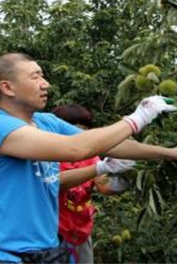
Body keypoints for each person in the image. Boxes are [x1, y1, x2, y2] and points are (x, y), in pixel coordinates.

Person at [0, 52, 177, 263]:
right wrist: (138, 118)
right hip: (5, 256)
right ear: (8, 87)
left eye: (43, 75)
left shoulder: (46, 122)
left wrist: (167, 153)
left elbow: (111, 146)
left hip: (48, 250)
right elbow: (77, 149)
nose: (45, 83)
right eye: (35, 76)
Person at [52, 104, 134, 264]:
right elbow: (55, 183)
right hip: (53, 231)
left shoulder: (90, 157)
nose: (80, 134)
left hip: (80, 230)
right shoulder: (49, 156)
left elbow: (104, 185)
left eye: (84, 129)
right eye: (73, 129)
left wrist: (128, 176)